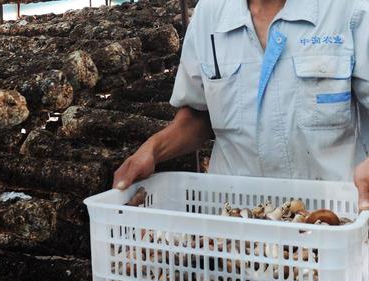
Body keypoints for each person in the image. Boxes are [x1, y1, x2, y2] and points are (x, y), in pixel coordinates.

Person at [113, 0, 369, 209]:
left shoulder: (349, 10)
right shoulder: (210, 15)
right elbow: (198, 115)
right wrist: (153, 150)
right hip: (237, 229)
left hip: (332, 221)